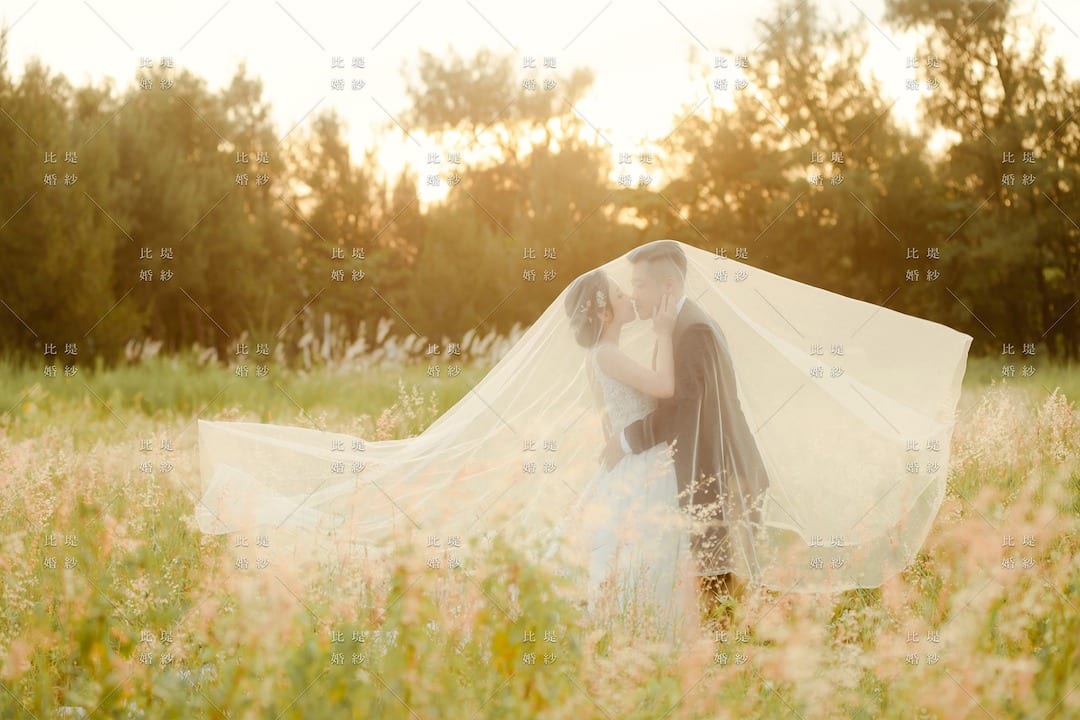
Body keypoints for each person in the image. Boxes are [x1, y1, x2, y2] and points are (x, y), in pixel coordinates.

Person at [196, 239, 974, 632]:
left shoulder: (658, 335)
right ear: (608, 309)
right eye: (623, 293)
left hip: (645, 468)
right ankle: (649, 633)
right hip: (644, 471)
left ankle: (665, 632)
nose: (631, 298)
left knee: (635, 562)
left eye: (640, 289)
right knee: (621, 564)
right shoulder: (628, 342)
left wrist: (626, 438)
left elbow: (651, 411)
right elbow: (663, 398)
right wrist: (650, 365)